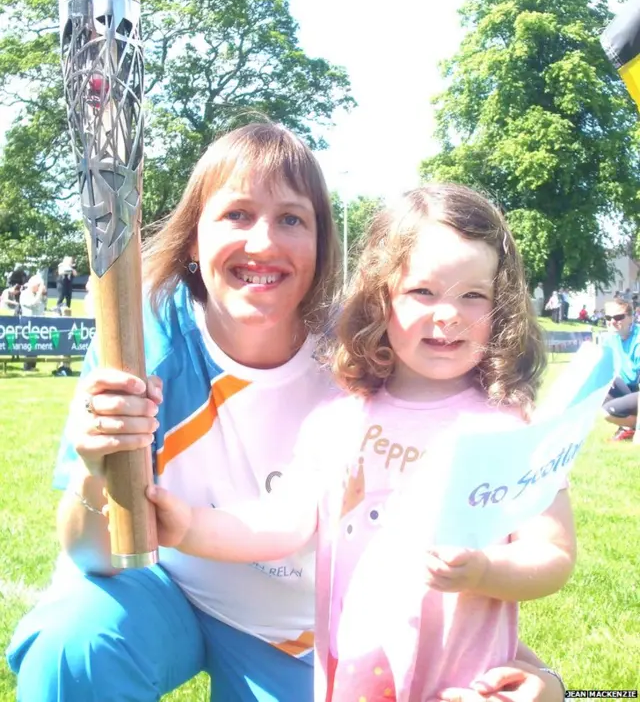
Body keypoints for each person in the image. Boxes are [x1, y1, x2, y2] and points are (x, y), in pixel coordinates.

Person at [6, 125, 566, 702]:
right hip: (168, 587)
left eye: (292, 219)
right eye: (237, 215)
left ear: (322, 242)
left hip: (302, 633)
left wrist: (545, 680)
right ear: (194, 238)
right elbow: (90, 553)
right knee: (72, 645)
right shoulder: (139, 340)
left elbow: (462, 526)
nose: (263, 244)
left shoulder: (364, 354)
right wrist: (95, 467)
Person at [146, 183, 575, 699]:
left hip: (469, 685)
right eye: (423, 291)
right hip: (351, 679)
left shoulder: (515, 432)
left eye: (473, 295)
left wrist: (484, 570)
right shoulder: (339, 420)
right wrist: (188, 525)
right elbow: (280, 523)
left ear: (500, 306)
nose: (449, 313)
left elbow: (551, 554)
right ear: (381, 297)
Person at [601, 297, 640, 442]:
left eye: (618, 317)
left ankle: (632, 428)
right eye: (608, 317)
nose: (612, 321)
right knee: (599, 394)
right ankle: (627, 427)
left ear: (631, 318)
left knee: (606, 412)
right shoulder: (611, 340)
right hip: (631, 388)